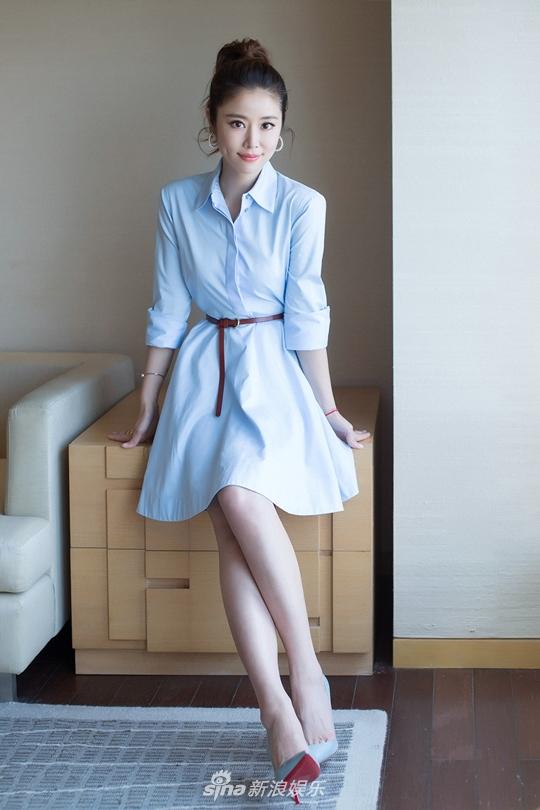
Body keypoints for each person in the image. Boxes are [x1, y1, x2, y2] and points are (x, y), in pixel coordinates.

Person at [108, 36, 371, 799]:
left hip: (274, 371)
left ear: (283, 129)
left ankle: (302, 677)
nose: (253, 140)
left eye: (267, 125)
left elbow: (307, 312)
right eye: (236, 123)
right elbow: (167, 307)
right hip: (203, 372)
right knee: (229, 512)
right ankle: (278, 705)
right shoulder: (175, 202)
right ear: (211, 121)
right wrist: (149, 402)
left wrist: (328, 409)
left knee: (237, 500)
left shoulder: (301, 205)